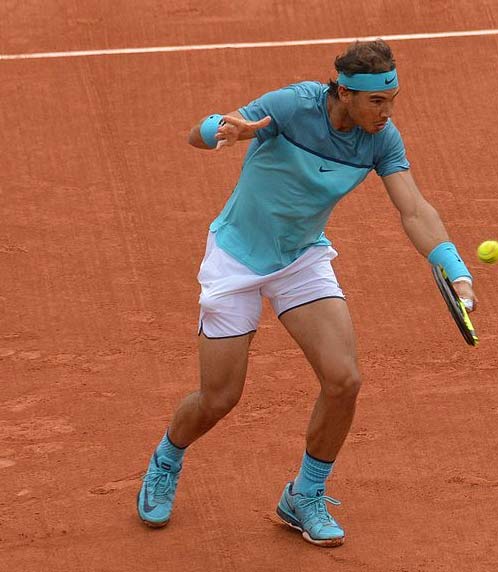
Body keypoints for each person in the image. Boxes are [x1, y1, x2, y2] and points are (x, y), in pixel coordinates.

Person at [136, 39, 478, 548]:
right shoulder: (293, 106)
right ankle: (167, 458)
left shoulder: (382, 140)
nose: (387, 113)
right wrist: (222, 130)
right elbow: (200, 134)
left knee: (344, 380)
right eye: (376, 102)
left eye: (392, 100)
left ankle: (305, 494)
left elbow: (414, 209)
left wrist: (455, 269)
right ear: (345, 93)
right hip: (235, 259)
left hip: (300, 259)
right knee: (218, 398)